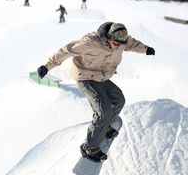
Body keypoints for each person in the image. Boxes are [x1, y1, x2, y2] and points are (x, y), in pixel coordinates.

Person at [37, 22, 155, 162]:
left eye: (120, 45)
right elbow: (65, 50)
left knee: (119, 100)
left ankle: (105, 126)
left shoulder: (122, 41)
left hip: (101, 76)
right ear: (108, 38)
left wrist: (145, 49)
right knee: (103, 110)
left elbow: (132, 44)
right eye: (115, 44)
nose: (118, 47)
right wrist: (47, 66)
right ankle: (89, 147)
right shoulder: (90, 43)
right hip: (84, 77)